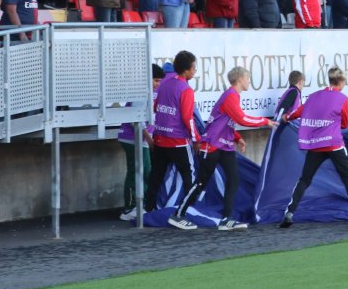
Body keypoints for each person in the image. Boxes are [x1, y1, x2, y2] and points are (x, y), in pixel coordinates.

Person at [176, 66, 276, 230]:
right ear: (240, 79)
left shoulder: (233, 96)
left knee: (234, 180)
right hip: (212, 145)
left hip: (225, 146)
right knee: (201, 182)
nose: (249, 81)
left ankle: (226, 219)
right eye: (247, 78)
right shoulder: (230, 96)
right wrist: (266, 121)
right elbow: (242, 119)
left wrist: (237, 137)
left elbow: (224, 121)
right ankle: (178, 214)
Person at [279, 67, 348, 229]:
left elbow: (297, 112)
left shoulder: (314, 96)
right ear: (341, 82)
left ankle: (289, 213)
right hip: (334, 144)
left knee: (305, 179)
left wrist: (286, 117)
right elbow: (345, 124)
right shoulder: (343, 99)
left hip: (316, 145)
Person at [146, 51, 201, 229]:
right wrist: (196, 139)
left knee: (156, 176)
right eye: (194, 67)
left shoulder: (164, 84)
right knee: (190, 177)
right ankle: (184, 213)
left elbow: (156, 107)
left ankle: (148, 210)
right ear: (187, 69)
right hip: (178, 141)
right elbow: (188, 118)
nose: (195, 71)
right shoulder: (186, 89)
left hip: (160, 138)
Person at [118, 64, 163, 222]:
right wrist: (149, 138)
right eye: (156, 80)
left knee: (144, 170)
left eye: (159, 81)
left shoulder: (150, 93)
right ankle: (130, 208)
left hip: (139, 139)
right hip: (132, 138)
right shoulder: (142, 93)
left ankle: (141, 204)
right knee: (137, 171)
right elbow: (135, 119)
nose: (158, 84)